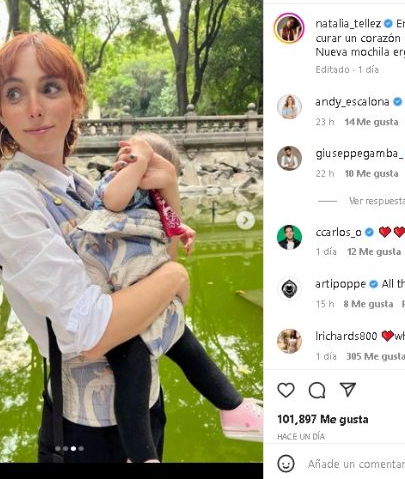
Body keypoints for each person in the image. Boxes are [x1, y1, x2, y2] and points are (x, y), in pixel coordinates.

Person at [0, 32, 178, 463]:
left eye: (50, 88)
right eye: (15, 93)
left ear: (76, 100)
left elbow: (152, 266)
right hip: (86, 431)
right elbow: (90, 333)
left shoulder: (82, 188)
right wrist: (176, 278)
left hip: (144, 405)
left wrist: (168, 190)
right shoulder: (11, 194)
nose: (34, 107)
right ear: (1, 111)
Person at [72, 131, 262, 462]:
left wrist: (182, 229)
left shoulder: (154, 198)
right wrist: (139, 163)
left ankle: (233, 407)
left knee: (187, 346)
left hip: (147, 290)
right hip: (116, 298)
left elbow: (170, 227)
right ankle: (141, 456)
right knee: (133, 366)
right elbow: (114, 202)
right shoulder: (113, 183)